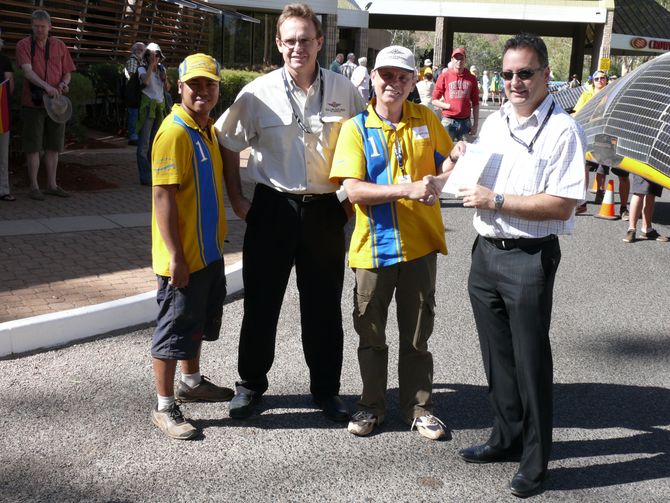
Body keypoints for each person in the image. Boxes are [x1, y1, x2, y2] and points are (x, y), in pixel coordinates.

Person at [215, 3, 365, 422]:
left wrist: (349, 200)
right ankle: (250, 386)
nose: (298, 47)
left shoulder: (344, 90)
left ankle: (326, 390)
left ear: (320, 42)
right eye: (290, 40)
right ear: (279, 44)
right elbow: (228, 143)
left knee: (323, 305)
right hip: (273, 209)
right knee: (261, 303)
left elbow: (363, 145)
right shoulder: (257, 92)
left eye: (306, 39)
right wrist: (238, 202)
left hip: (325, 211)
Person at [454, 33, 586, 498]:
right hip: (485, 252)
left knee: (531, 364)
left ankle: (535, 461)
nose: (515, 81)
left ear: (547, 76)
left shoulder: (563, 130)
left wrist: (499, 200)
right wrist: (456, 164)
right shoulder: (496, 121)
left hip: (529, 258)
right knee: (498, 360)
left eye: (525, 73)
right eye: (508, 73)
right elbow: (475, 165)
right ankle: (505, 437)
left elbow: (563, 204)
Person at [330, 45, 455, 440]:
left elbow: (447, 162)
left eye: (403, 76)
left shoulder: (426, 119)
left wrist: (441, 179)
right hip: (373, 249)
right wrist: (407, 189)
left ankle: (419, 407)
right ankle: (371, 405)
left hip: (419, 246)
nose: (394, 83)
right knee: (371, 333)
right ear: (372, 78)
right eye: (386, 75)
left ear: (414, 80)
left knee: (417, 335)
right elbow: (352, 189)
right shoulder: (356, 129)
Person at [149, 53, 233, 440]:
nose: (202, 90)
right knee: (173, 330)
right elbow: (163, 197)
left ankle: (192, 382)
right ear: (178, 87)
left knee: (195, 325)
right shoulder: (175, 132)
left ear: (218, 88)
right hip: (182, 260)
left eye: (209, 84)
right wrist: (176, 258)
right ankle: (165, 406)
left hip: (208, 255)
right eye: (194, 84)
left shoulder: (206, 129)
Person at [16, 9, 75, 201]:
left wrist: (64, 84)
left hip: (56, 105)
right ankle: (34, 186)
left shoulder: (59, 45)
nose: (39, 30)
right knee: (34, 146)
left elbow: (68, 72)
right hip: (33, 104)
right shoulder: (23, 45)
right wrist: (46, 87)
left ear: (50, 27)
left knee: (54, 146)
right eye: (36, 26)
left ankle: (52, 185)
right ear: (31, 26)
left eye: (42, 26)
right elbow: (27, 72)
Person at [572, 71, 629, 218]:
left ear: (606, 80)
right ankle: (581, 203)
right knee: (584, 169)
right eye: (596, 79)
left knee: (622, 173)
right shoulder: (586, 95)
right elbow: (577, 113)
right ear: (593, 81)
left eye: (602, 78)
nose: (599, 81)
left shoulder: (615, 94)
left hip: (611, 138)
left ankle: (624, 208)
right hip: (591, 137)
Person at [136, 42, 167, 186]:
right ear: (147, 56)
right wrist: (151, 67)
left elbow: (167, 88)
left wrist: (164, 77)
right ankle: (145, 177)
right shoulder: (142, 69)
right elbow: (146, 82)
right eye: (152, 55)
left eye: (158, 55)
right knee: (144, 144)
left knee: (156, 144)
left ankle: (154, 174)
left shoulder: (162, 69)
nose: (156, 58)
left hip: (159, 109)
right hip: (147, 109)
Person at [432, 47, 479, 141]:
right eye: (456, 58)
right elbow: (434, 100)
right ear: (452, 60)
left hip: (465, 122)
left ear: (465, 60)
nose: (459, 61)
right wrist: (448, 106)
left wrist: (475, 124)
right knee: (444, 152)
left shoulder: (471, 78)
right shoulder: (444, 76)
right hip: (448, 121)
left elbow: (476, 103)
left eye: (461, 58)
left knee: (466, 152)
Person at [622, 175, 669, 243]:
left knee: (652, 193)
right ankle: (631, 229)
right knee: (639, 192)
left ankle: (647, 229)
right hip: (644, 165)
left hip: (659, 166)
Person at [0, 31, 15, 202]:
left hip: (1, 114)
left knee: (2, 154)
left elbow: (9, 86)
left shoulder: (4, 60)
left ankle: (3, 189)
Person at [123, 41, 145, 146]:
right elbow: (132, 76)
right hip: (133, 91)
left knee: (137, 113)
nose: (142, 52)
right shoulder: (133, 60)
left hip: (137, 91)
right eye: (141, 50)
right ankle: (133, 136)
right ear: (136, 50)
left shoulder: (141, 61)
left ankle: (136, 135)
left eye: (143, 50)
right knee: (134, 113)